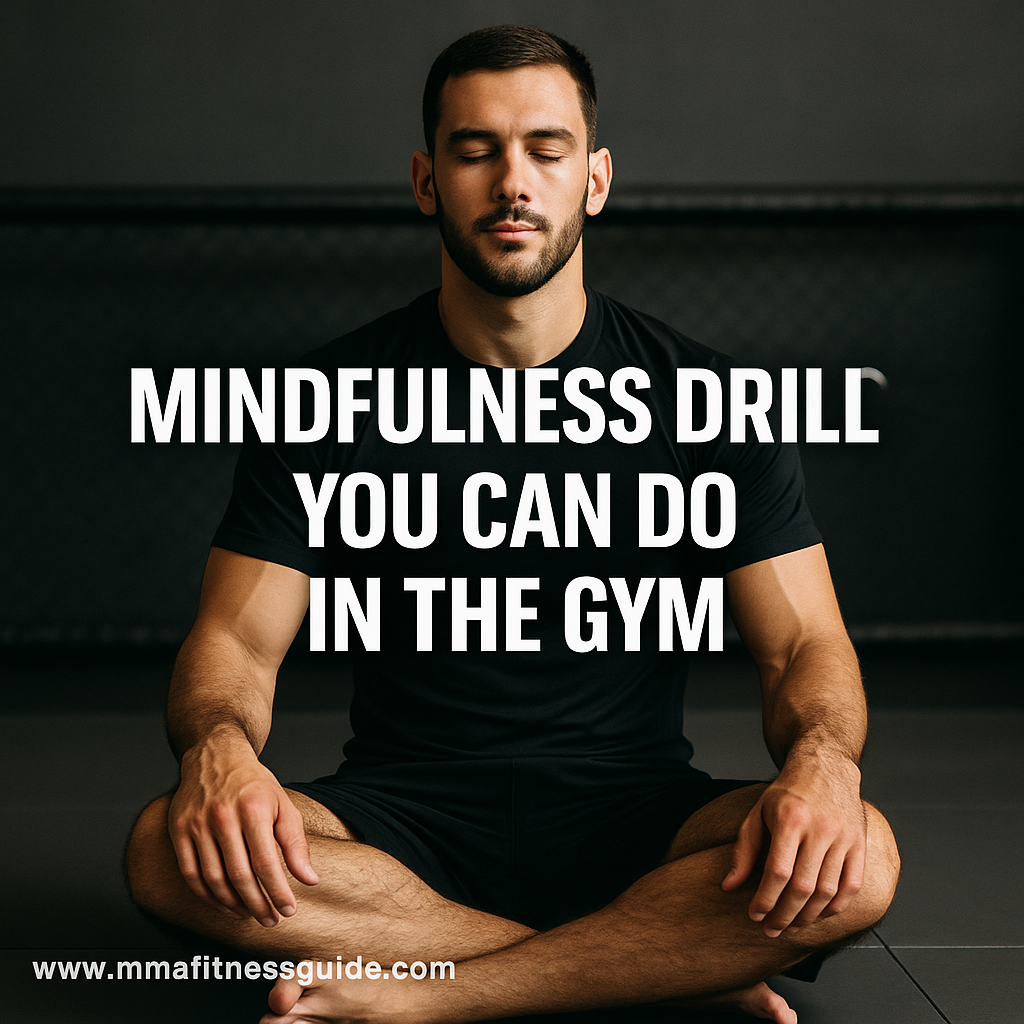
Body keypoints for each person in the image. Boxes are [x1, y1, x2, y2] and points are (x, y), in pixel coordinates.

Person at [125, 24, 899, 1024]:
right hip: (403, 813)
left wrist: (824, 765)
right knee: (165, 850)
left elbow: (803, 645)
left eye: (546, 148)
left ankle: (437, 992)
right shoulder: (325, 398)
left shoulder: (710, 399)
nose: (511, 182)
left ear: (596, 178)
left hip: (636, 813)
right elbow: (234, 641)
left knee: (861, 856)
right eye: (475, 149)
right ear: (424, 179)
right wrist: (217, 750)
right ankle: (647, 966)